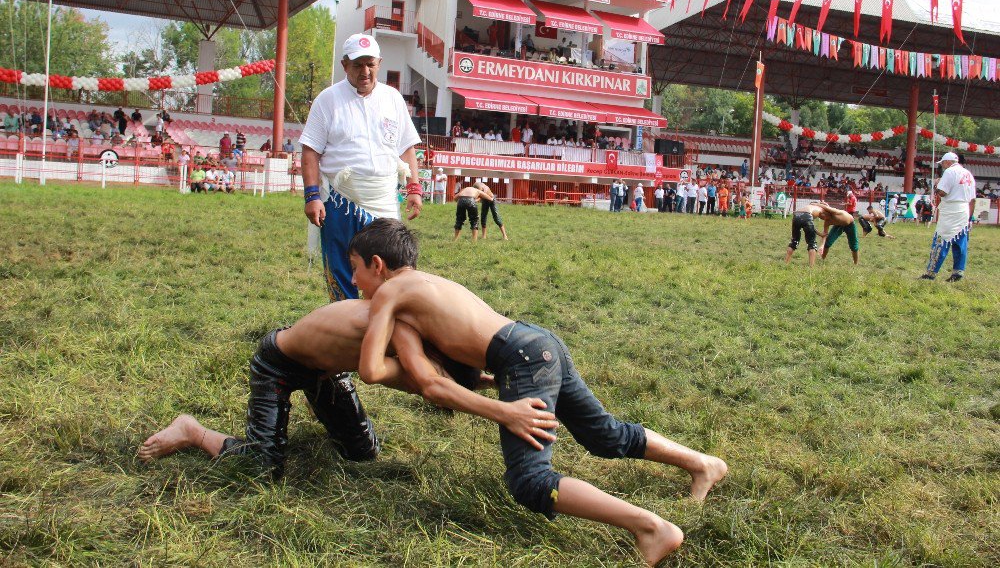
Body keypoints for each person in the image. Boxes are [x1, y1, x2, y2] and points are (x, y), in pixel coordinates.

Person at [351, 220, 728, 567]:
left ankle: (651, 528)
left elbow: (382, 374)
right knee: (603, 434)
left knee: (530, 480)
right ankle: (703, 464)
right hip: (537, 342)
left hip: (521, 358)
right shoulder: (422, 284)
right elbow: (444, 349)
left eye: (355, 268)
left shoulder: (390, 294)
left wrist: (506, 412)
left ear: (378, 264)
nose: (354, 281)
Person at [139, 300, 549, 475]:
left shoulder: (425, 338)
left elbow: (430, 381)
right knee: (262, 467)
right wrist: (507, 412)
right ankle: (193, 430)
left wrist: (500, 384)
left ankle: (310, 422)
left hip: (327, 371)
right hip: (277, 363)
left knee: (363, 454)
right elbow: (431, 387)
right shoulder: (404, 330)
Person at [300, 33, 423, 302]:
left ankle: (385, 321)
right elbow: (310, 149)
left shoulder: (392, 99)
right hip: (340, 200)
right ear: (345, 65)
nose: (365, 72)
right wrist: (311, 196)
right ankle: (346, 326)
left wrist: (414, 188)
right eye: (357, 65)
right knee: (341, 269)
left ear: (379, 63)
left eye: (370, 64)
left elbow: (406, 148)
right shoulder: (327, 100)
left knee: (390, 267)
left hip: (383, 200)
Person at [920, 152, 976, 282]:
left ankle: (931, 272)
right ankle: (958, 272)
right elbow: (973, 200)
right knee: (960, 242)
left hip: (951, 210)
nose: (943, 166)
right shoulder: (968, 174)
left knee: (941, 240)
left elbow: (943, 193)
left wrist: (936, 185)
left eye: (943, 163)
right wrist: (969, 218)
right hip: (964, 210)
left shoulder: (950, 172)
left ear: (948, 162)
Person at [784, 202, 826, 266]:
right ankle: (811, 266)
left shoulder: (807, 207)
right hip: (807, 216)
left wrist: (820, 234)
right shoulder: (821, 209)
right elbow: (809, 223)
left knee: (794, 241)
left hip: (796, 215)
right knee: (812, 243)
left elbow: (811, 226)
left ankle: (785, 263)